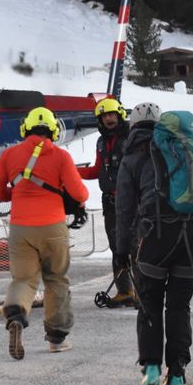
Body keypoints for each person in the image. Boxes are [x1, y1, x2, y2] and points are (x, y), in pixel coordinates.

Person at [115, 101, 193, 385]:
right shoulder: (190, 146)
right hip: (192, 233)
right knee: (180, 306)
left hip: (154, 236)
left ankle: (152, 370)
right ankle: (177, 376)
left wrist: (120, 250)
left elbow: (124, 209)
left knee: (150, 303)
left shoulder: (132, 157)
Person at [0, 106, 88, 359]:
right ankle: (57, 338)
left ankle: (16, 314)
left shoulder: (10, 155)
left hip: (21, 228)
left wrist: (18, 193)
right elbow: (80, 194)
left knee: (23, 279)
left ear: (25, 129)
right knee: (56, 279)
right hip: (53, 226)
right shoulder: (61, 156)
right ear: (53, 131)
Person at [77, 97, 136, 306]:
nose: (109, 119)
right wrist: (72, 171)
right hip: (110, 202)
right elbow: (98, 170)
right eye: (104, 116)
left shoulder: (132, 137)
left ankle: (142, 291)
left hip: (133, 201)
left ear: (119, 115)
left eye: (112, 115)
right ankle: (125, 291)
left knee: (136, 246)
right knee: (117, 247)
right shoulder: (101, 142)